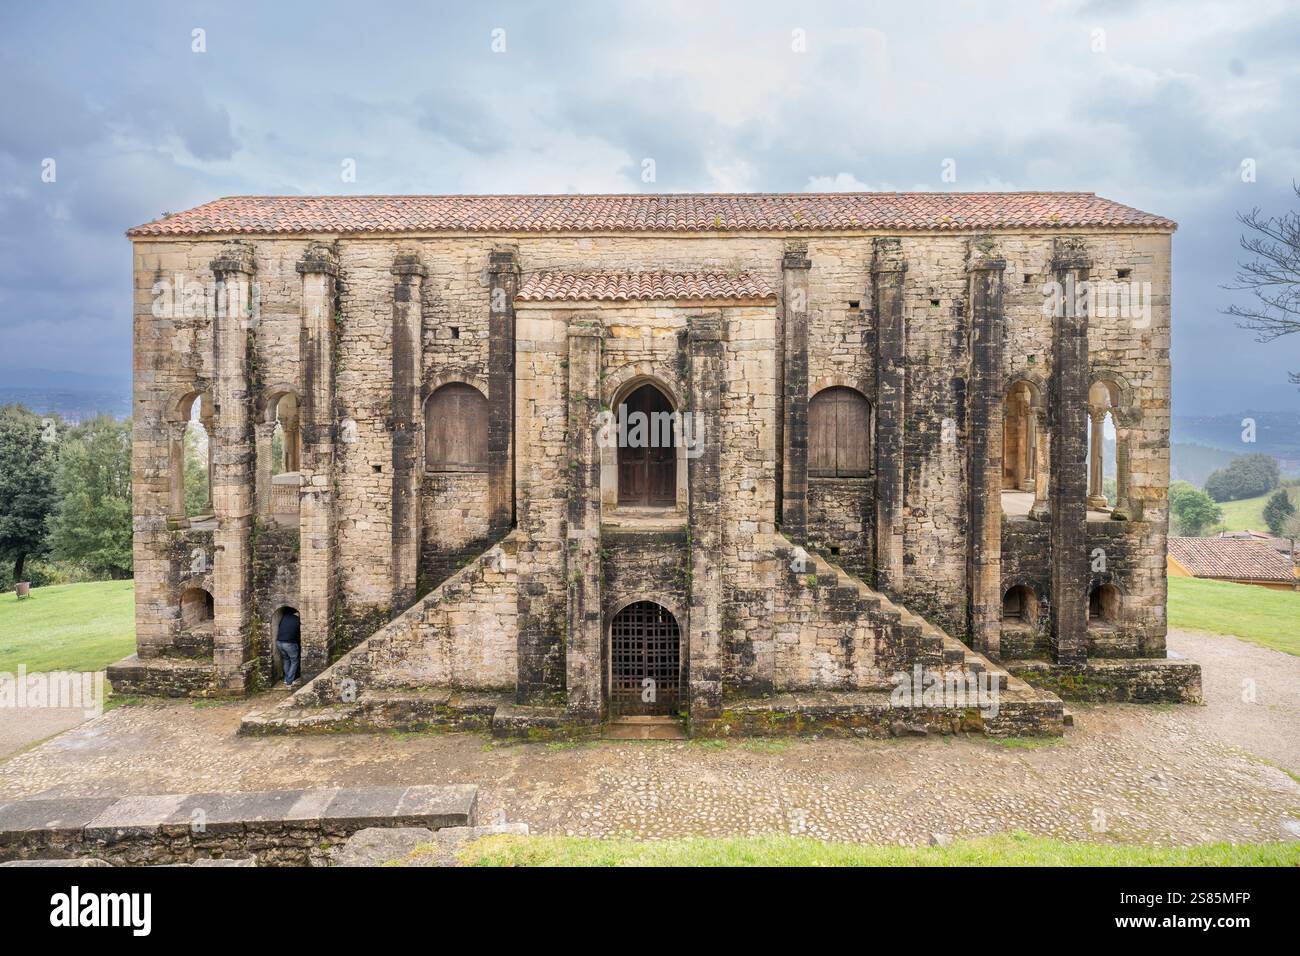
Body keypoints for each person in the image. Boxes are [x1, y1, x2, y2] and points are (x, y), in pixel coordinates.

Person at [276, 609, 301, 687]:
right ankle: (289, 681)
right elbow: (297, 633)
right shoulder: (298, 620)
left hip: (279, 642)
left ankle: (286, 679)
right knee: (294, 661)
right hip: (289, 644)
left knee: (286, 659)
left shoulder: (285, 617)